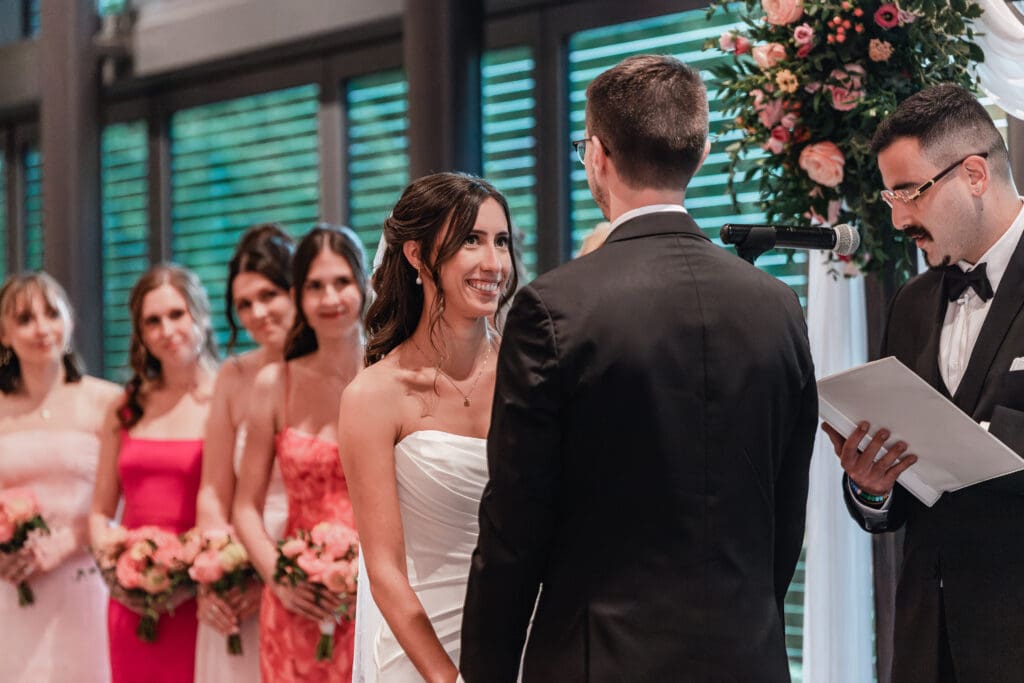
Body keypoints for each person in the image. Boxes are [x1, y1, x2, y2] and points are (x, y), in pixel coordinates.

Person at [460, 54, 818, 682]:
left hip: (601, 658)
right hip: (749, 656)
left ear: (597, 155)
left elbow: (516, 520)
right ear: (701, 153)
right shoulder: (778, 305)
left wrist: (484, 671)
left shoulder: (554, 306)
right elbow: (786, 507)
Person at [823, 83, 1024, 682]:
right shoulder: (911, 303)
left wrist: (983, 436)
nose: (898, 216)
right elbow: (900, 502)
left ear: (974, 175)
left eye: (909, 192)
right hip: (924, 641)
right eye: (889, 196)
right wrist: (872, 487)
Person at [339, 172, 519, 682]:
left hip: (527, 639)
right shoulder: (373, 396)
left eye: (500, 241)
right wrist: (448, 678)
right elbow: (385, 570)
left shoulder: (531, 376)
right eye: (470, 240)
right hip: (421, 649)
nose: (493, 263)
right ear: (416, 255)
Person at [233, 225, 366, 682]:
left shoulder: (391, 377)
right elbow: (244, 507)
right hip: (293, 601)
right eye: (315, 286)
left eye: (341, 282)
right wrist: (279, 577)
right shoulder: (275, 384)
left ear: (365, 286)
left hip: (374, 599)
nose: (330, 298)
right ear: (297, 295)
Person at [90, 264, 219, 683]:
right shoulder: (126, 405)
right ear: (141, 334)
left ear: (201, 314)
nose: (167, 329)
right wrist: (113, 572)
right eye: (153, 321)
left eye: (176, 314)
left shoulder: (227, 401)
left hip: (202, 596)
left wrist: (191, 575)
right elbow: (99, 511)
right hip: (130, 598)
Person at [0, 272, 122, 682]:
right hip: (10, 581)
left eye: (52, 313)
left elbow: (119, 499)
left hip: (85, 578)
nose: (41, 328)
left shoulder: (107, 401)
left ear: (70, 320)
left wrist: (67, 543)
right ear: (4, 335)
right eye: (24, 319)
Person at [194, 225, 295, 682]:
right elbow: (214, 490)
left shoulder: (343, 370)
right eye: (243, 304)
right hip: (238, 566)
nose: (257, 313)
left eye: (269, 295)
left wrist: (282, 576)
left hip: (311, 563)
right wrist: (217, 573)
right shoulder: (233, 377)